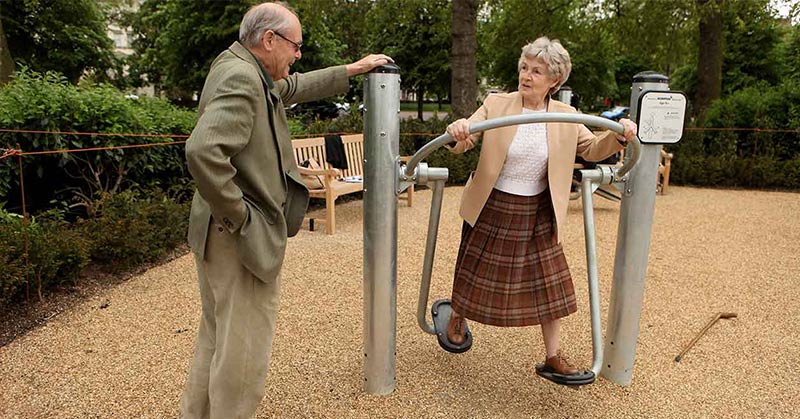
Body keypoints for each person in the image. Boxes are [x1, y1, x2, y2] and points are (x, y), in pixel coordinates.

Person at [180, 2, 392, 418]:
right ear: (269, 39)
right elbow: (203, 151)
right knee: (242, 354)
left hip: (215, 234)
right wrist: (240, 217)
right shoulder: (243, 79)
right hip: (237, 238)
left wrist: (351, 69)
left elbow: (291, 87)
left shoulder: (240, 65)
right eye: (295, 46)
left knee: (216, 337)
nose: (298, 55)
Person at [443, 37, 636, 383]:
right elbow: (464, 141)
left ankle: (552, 356)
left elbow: (592, 148)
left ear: (554, 82)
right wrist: (458, 131)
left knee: (552, 285)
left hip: (539, 210)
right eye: (524, 68)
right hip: (492, 203)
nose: (526, 76)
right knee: (473, 270)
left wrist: (619, 138)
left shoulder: (565, 115)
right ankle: (458, 315)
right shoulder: (496, 103)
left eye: (537, 71)